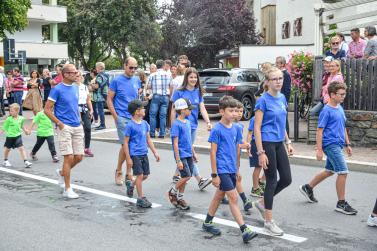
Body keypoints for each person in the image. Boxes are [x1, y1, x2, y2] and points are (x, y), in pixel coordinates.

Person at [202, 96, 258, 243]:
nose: (234, 113)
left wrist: (246, 146)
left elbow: (237, 145)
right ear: (221, 111)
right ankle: (244, 229)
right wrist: (214, 174)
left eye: (235, 111)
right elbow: (213, 152)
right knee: (233, 198)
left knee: (219, 196)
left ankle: (207, 222)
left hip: (232, 168)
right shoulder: (217, 130)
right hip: (222, 169)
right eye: (231, 111)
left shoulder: (236, 128)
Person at [299, 81, 357, 215]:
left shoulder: (339, 107)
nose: (344, 96)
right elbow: (319, 131)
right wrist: (319, 150)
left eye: (344, 94)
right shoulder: (326, 110)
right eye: (341, 94)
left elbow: (342, 127)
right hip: (330, 145)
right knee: (343, 172)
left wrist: (347, 144)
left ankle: (308, 187)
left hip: (338, 144)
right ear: (332, 94)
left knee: (330, 170)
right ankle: (341, 203)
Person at [253, 67, 294, 236]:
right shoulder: (263, 100)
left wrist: (288, 141)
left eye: (280, 78)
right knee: (271, 180)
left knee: (286, 179)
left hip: (278, 142)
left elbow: (282, 122)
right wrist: (261, 152)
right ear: (267, 82)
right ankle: (268, 222)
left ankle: (262, 203)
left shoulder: (283, 98)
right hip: (267, 143)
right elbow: (257, 127)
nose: (278, 81)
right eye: (274, 79)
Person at [45, 64, 84, 199]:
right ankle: (67, 189)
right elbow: (47, 109)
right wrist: (60, 124)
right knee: (69, 157)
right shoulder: (57, 90)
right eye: (74, 72)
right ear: (66, 74)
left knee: (79, 157)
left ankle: (62, 172)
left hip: (77, 125)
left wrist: (79, 120)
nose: (76, 74)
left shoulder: (75, 87)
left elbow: (74, 106)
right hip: (64, 127)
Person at [171, 67, 212, 191]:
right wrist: (173, 125)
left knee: (187, 151)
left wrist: (208, 122)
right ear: (186, 78)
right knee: (187, 152)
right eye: (191, 77)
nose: (193, 79)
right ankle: (200, 180)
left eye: (195, 77)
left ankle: (176, 175)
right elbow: (173, 109)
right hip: (181, 127)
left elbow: (202, 108)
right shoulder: (179, 92)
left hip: (192, 126)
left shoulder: (198, 91)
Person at [107, 57, 141, 186]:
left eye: (135, 68)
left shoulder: (136, 80)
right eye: (130, 67)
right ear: (125, 66)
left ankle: (127, 173)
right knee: (126, 145)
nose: (133, 70)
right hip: (122, 117)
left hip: (134, 117)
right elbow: (109, 99)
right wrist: (115, 116)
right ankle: (120, 172)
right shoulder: (116, 81)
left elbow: (136, 98)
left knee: (130, 146)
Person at [124, 99, 160, 208]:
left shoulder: (145, 124)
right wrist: (128, 158)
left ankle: (131, 185)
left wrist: (155, 152)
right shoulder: (130, 125)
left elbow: (148, 139)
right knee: (139, 175)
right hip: (135, 154)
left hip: (144, 153)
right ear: (136, 112)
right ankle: (140, 198)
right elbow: (125, 143)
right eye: (142, 108)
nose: (144, 109)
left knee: (145, 175)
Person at [168, 98, 198, 210]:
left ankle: (180, 198)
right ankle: (172, 191)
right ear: (182, 110)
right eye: (189, 109)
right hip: (181, 155)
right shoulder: (176, 124)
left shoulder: (188, 122)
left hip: (189, 154)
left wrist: (194, 153)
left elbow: (189, 140)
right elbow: (175, 144)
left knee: (185, 177)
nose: (191, 111)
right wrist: (178, 160)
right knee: (187, 176)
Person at [232, 101, 253, 211]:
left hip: (236, 156)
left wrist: (246, 144)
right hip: (230, 157)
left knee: (230, 180)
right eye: (236, 111)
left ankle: (221, 196)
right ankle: (245, 200)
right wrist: (245, 145)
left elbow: (239, 142)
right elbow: (236, 144)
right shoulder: (232, 126)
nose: (240, 114)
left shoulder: (240, 125)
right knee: (237, 178)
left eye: (241, 111)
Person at [1, 103, 32, 168]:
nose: (10, 112)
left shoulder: (21, 118)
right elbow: (4, 128)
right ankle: (5, 160)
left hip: (18, 136)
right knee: (7, 149)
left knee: (21, 148)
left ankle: (26, 161)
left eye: (12, 111)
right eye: (10, 111)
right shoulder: (9, 119)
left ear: (17, 111)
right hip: (10, 137)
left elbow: (22, 126)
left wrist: (25, 130)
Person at [147, 59, 172, 138]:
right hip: (165, 97)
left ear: (156, 65)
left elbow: (149, 86)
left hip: (156, 96)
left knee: (152, 115)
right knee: (163, 116)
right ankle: (162, 134)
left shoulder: (152, 75)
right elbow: (171, 86)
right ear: (163, 65)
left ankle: (152, 133)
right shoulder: (169, 75)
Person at [76, 71, 94, 157]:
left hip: (84, 108)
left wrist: (91, 110)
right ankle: (77, 149)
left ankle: (87, 148)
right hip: (75, 109)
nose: (77, 77)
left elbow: (88, 100)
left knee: (88, 128)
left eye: (79, 76)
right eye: (75, 76)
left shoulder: (84, 87)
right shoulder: (72, 87)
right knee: (77, 130)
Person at [247, 116, 265, 198]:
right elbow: (250, 133)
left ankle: (261, 182)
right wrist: (248, 145)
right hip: (255, 143)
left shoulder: (268, 116)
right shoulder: (254, 119)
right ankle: (255, 188)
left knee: (269, 165)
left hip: (265, 143)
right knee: (258, 166)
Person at [275, 56, 291, 135]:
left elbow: (287, 90)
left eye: (277, 63)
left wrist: (286, 102)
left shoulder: (286, 74)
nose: (276, 64)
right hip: (278, 98)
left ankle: (286, 134)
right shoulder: (280, 74)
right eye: (276, 62)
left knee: (284, 117)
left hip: (283, 99)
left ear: (282, 64)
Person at [93, 62, 109, 130]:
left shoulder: (99, 76)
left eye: (96, 67)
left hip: (100, 95)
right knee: (102, 110)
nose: (96, 69)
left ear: (99, 67)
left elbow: (97, 86)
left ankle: (102, 125)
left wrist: (91, 85)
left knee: (100, 111)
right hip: (105, 93)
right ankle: (102, 124)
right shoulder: (106, 75)